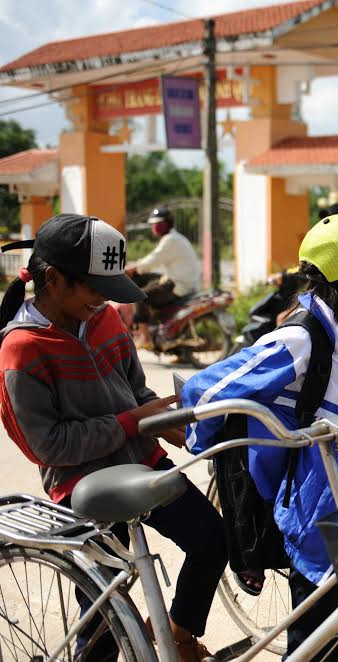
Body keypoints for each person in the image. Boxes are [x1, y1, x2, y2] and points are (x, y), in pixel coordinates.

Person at [0, 213, 226, 662]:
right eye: (95, 288)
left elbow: (135, 386)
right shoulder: (21, 349)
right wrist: (129, 421)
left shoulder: (104, 318)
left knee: (212, 539)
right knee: (104, 616)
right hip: (83, 485)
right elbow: (50, 446)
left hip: (143, 462)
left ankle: (177, 638)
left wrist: (162, 420)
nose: (104, 300)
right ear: (54, 279)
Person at [181, 214, 338, 660]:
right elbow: (205, 390)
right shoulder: (300, 338)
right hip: (316, 506)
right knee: (316, 642)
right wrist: (203, 444)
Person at [126, 207, 202, 347]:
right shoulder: (175, 237)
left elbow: (153, 260)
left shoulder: (170, 240)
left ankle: (145, 336)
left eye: (157, 224)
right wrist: (136, 268)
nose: (154, 227)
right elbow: (152, 261)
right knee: (143, 278)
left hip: (179, 285)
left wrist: (132, 268)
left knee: (139, 295)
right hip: (179, 279)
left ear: (165, 224)